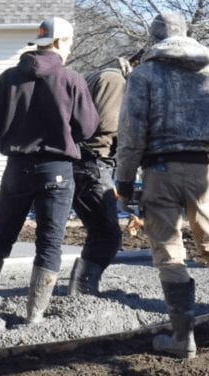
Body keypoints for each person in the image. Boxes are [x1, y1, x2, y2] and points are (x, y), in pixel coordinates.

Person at [115, 13, 209, 359]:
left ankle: (182, 339)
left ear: (153, 39)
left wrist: (124, 182)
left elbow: (131, 135)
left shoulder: (144, 75)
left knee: (169, 253)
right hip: (201, 172)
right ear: (187, 35)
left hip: (159, 172)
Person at [0, 17, 100, 323]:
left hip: (17, 167)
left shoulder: (8, 79)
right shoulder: (71, 80)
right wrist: (66, 137)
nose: (69, 49)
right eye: (69, 42)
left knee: (0, 237)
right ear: (59, 43)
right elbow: (89, 126)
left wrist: (8, 139)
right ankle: (35, 316)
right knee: (50, 242)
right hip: (57, 169)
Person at [68, 50, 143, 296]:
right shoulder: (115, 81)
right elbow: (106, 126)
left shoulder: (98, 76)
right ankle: (82, 290)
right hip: (93, 163)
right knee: (107, 235)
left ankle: (82, 287)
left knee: (100, 232)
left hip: (84, 163)